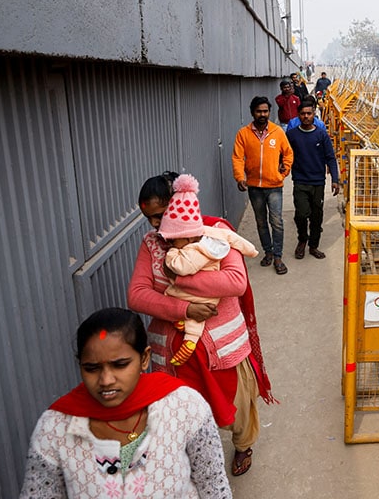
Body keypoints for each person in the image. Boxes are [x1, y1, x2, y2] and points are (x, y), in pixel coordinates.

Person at [129, 172, 275, 477]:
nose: (155, 225)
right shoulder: (152, 244)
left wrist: (181, 276)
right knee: (183, 415)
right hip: (174, 353)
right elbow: (137, 296)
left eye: (159, 215)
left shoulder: (216, 232)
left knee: (236, 407)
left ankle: (243, 444)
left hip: (222, 347)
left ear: (177, 204)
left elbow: (236, 281)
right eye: (149, 218)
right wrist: (185, 308)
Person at [20, 307, 232, 498]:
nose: (106, 380)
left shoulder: (184, 406)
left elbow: (213, 484)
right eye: (91, 368)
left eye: (120, 365)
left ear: (145, 358)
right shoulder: (55, 429)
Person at [159, 174, 259, 366]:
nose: (168, 241)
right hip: (203, 303)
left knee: (182, 299)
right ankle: (185, 329)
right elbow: (234, 239)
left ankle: (189, 337)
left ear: (187, 236)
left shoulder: (195, 249)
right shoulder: (215, 235)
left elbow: (237, 283)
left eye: (173, 239)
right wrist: (251, 250)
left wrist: (172, 263)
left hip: (223, 339)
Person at [232, 96, 293, 274]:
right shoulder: (243, 133)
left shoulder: (277, 132)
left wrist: (283, 172)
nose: (262, 114)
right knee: (261, 222)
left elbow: (288, 154)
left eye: (265, 111)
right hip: (254, 187)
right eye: (259, 111)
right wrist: (239, 177)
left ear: (269, 112)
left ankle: (278, 256)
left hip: (274, 186)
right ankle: (268, 252)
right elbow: (237, 157)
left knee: (277, 222)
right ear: (252, 112)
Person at [286, 100, 340, 260]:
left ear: (314, 114)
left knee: (317, 216)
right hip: (300, 181)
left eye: (309, 113)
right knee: (301, 214)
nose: (306, 116)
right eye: (303, 114)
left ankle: (313, 246)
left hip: (318, 182)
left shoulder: (321, 135)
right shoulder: (292, 135)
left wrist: (335, 180)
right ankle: (302, 240)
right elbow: (284, 155)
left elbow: (330, 157)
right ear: (298, 115)